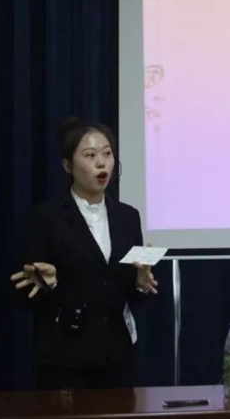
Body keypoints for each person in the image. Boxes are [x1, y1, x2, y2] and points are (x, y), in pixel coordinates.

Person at [10, 116, 159, 390]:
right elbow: (22, 296)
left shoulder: (128, 217)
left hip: (117, 358)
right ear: (68, 166)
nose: (102, 163)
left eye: (107, 154)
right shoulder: (45, 218)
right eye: (90, 155)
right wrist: (50, 283)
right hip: (65, 360)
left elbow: (131, 296)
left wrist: (140, 283)